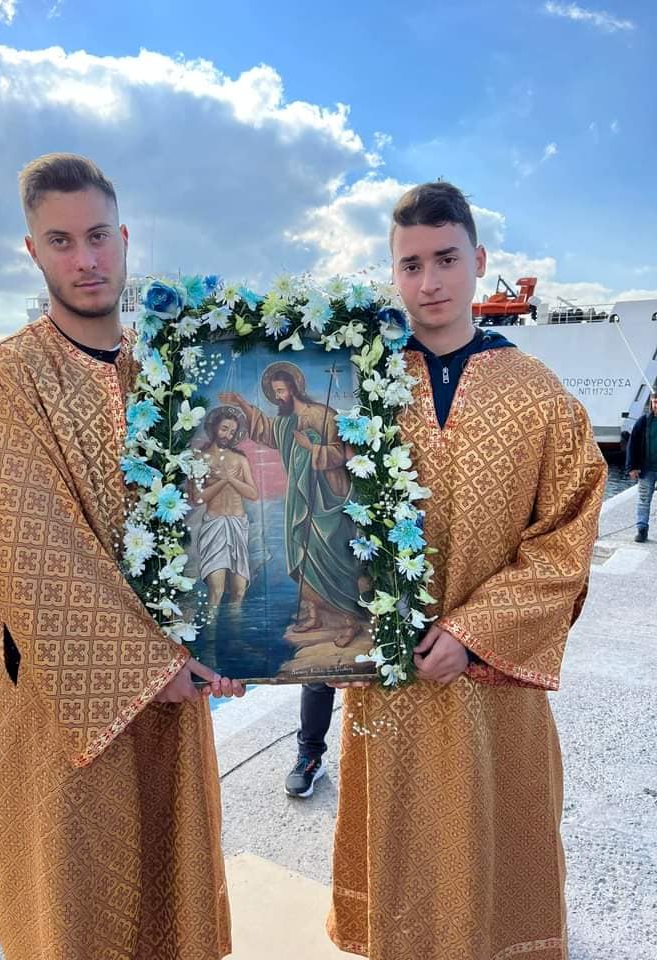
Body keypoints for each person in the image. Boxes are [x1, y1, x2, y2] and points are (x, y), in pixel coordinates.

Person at [0, 153, 243, 960]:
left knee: (173, 894)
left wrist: (247, 630)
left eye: (98, 236)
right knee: (78, 908)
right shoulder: (11, 374)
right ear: (32, 251)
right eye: (61, 241)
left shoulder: (168, 374)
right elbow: (17, 536)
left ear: (124, 238)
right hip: (65, 703)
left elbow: (225, 508)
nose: (85, 259)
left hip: (181, 689)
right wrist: (146, 664)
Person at [326, 182, 606, 960]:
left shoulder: (540, 394)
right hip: (388, 681)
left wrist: (475, 632)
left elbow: (568, 532)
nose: (430, 283)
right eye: (411, 265)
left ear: (479, 261)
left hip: (492, 685)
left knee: (492, 844)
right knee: (402, 852)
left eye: (446, 259)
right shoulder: (357, 388)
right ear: (392, 272)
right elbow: (313, 516)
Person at [219, 365, 364, 646]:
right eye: (274, 393)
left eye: (281, 391)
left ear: (294, 388)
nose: (277, 397)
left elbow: (342, 454)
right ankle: (314, 613)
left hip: (327, 498)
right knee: (302, 553)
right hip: (299, 498)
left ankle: (349, 620)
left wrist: (311, 447)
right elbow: (264, 428)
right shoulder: (285, 423)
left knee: (334, 557)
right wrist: (241, 403)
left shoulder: (322, 414)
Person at [192, 406, 258, 607]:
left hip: (238, 524)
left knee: (239, 591)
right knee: (217, 590)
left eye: (232, 431)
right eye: (224, 429)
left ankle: (235, 628)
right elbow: (198, 499)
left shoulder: (240, 459)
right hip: (215, 526)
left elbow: (253, 494)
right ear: (214, 427)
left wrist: (229, 478)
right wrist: (221, 481)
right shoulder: (200, 459)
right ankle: (212, 628)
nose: (228, 435)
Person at [625, 392, 657, 542]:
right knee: (644, 499)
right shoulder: (643, 422)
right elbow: (632, 445)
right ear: (651, 403)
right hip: (646, 468)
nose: (656, 405)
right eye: (655, 402)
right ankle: (642, 529)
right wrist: (632, 467)